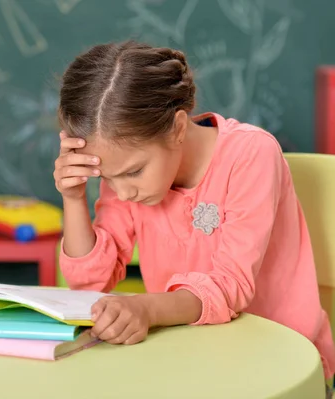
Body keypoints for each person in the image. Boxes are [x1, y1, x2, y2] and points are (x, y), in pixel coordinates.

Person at [53, 40, 335, 394]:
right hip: (188, 362)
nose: (123, 192)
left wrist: (148, 310)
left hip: (283, 369)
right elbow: (91, 284)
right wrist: (74, 197)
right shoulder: (126, 171)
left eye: (134, 172)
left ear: (178, 128)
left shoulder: (251, 155)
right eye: (106, 179)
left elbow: (229, 286)